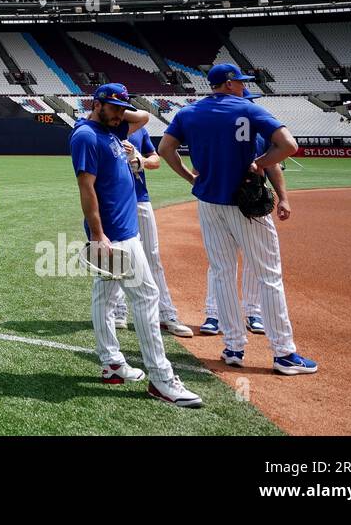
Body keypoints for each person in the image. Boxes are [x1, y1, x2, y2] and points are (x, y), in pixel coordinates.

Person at [158, 64, 317, 376]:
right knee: (268, 276)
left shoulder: (188, 113)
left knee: (222, 272)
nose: (243, 87)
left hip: (208, 202)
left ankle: (233, 347)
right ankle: (283, 353)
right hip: (245, 204)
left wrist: (190, 177)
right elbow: (289, 145)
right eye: (240, 82)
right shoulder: (247, 108)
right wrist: (260, 163)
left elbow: (165, 149)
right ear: (229, 84)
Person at [72, 84, 202, 407]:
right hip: (116, 235)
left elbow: (142, 116)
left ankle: (112, 363)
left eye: (122, 108)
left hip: (123, 231)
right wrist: (98, 235)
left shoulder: (112, 128)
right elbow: (86, 189)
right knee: (146, 297)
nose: (120, 114)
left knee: (104, 295)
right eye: (113, 108)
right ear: (96, 104)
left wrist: (119, 111)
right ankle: (161, 379)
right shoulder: (87, 136)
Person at [106, 121, 195, 338]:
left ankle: (166, 314)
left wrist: (141, 160)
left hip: (140, 199)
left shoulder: (139, 130)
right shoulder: (99, 131)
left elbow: (155, 159)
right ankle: (118, 311)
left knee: (152, 256)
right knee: (116, 256)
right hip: (114, 202)